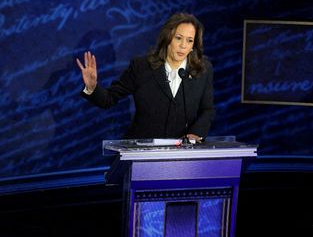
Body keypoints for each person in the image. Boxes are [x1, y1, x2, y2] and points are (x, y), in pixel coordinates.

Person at [76, 12, 215, 141]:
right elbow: (109, 99)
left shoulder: (203, 70)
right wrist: (92, 87)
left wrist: (195, 133)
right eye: (178, 38)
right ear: (168, 38)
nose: (183, 45)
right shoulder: (142, 67)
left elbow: (207, 109)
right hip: (142, 151)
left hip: (182, 153)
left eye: (189, 40)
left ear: (193, 46)